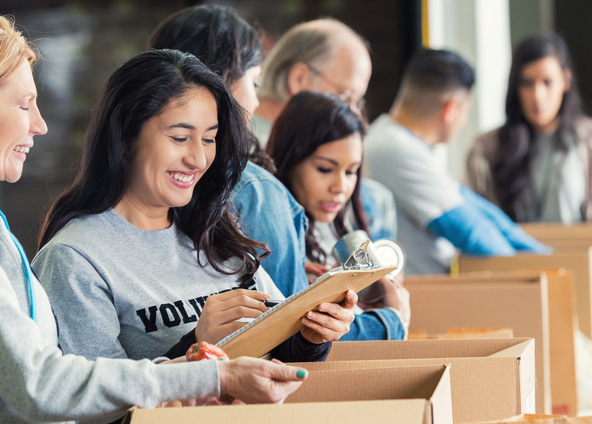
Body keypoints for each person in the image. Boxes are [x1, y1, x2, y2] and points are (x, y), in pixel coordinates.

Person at [0, 9, 308, 424]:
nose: (40, 124)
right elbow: (37, 382)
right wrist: (211, 376)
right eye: (25, 105)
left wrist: (197, 367)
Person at [32, 49, 355, 424]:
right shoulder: (76, 258)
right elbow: (93, 419)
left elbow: (279, 355)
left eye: (210, 139)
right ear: (125, 138)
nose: (199, 159)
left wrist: (310, 334)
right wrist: (194, 346)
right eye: (180, 137)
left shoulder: (215, 230)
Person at [146, 4, 309, 298]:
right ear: (223, 82)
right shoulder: (254, 191)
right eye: (254, 82)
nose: (256, 101)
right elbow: (294, 325)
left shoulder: (134, 184)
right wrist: (390, 317)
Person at [363, 48, 548, 275]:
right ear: (451, 109)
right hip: (425, 298)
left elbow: (474, 206)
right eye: (466, 109)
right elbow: (472, 233)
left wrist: (540, 253)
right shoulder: (394, 150)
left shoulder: (398, 141)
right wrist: (536, 269)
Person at [466, 33, 592, 260]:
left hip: (580, 265)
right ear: (516, 87)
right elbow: (472, 220)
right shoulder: (485, 150)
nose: (537, 96)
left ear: (566, 80)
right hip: (516, 272)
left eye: (547, 82)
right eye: (527, 83)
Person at [266, 91, 410, 340]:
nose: (340, 187)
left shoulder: (332, 229)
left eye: (351, 171)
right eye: (325, 169)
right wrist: (391, 321)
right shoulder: (267, 231)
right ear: (289, 159)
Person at [253, 18, 398, 243]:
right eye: (345, 96)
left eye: (357, 103)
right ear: (299, 78)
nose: (352, 114)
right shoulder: (251, 153)